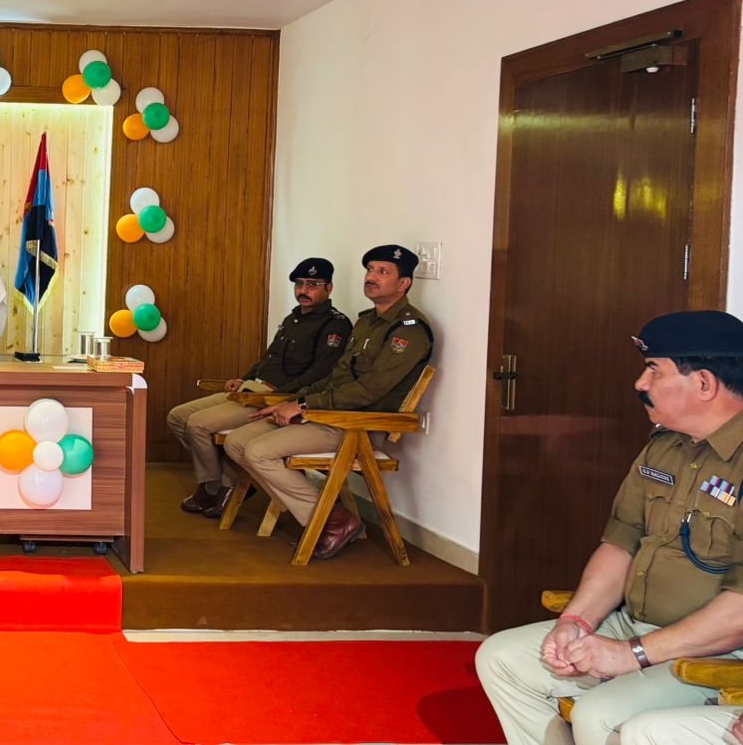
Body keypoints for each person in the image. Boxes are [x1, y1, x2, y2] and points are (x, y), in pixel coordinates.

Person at [477, 310, 743, 745]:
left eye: (654, 370)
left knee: (600, 715)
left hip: (714, 650)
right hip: (634, 627)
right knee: (503, 658)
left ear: (704, 383)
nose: (640, 383)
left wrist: (631, 655)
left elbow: (738, 615)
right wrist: (577, 622)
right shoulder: (664, 447)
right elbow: (621, 543)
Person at [222, 244, 433, 560]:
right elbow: (336, 377)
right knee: (236, 442)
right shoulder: (366, 322)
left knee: (258, 452)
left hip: (356, 423)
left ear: (404, 283)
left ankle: (330, 521)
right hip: (328, 412)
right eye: (370, 270)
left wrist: (305, 405)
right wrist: (292, 400)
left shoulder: (410, 331)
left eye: (383, 271)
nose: (371, 277)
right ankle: (330, 515)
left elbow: (368, 391)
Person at [166, 258, 351, 519]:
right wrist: (243, 379)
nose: (303, 290)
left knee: (198, 424)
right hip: (252, 390)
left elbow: (320, 372)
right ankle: (220, 479)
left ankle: (220, 488)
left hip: (275, 398)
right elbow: (269, 359)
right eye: (299, 284)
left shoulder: (335, 325)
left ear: (329, 288)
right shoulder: (293, 318)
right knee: (177, 417)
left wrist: (279, 394)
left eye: (312, 285)